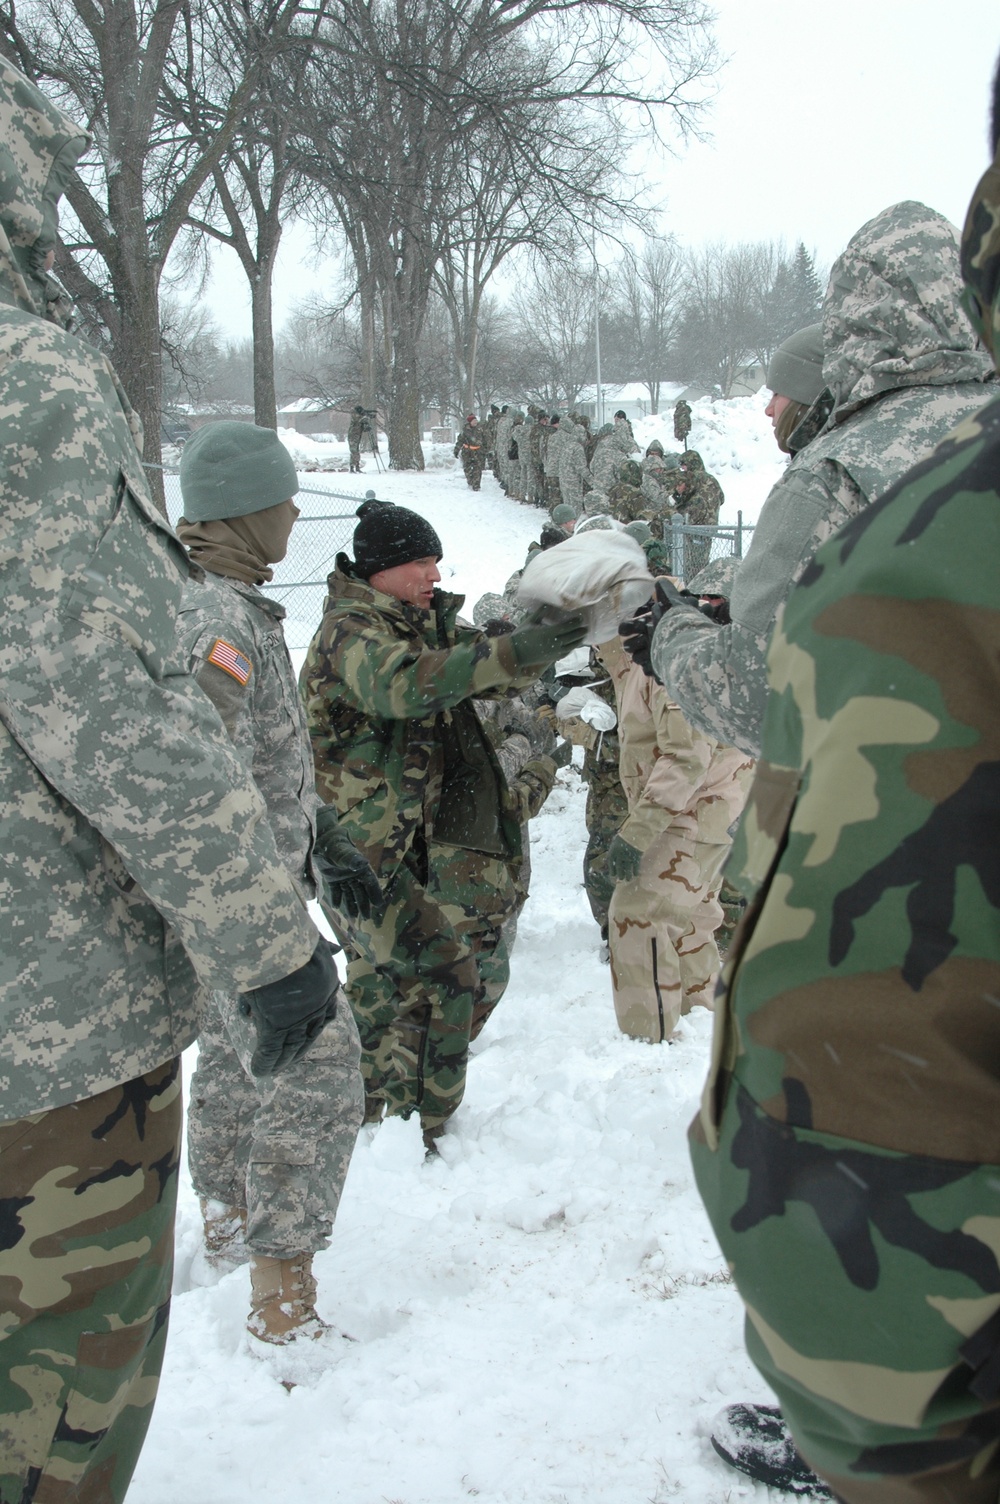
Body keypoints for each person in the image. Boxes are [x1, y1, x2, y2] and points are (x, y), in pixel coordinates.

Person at [0, 62, 334, 1504]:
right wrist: (272, 950)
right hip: (43, 1040)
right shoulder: (24, 383)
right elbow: (107, 705)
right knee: (53, 1425)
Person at [690, 108, 1000, 1504]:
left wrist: (658, 647)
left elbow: (760, 703)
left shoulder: (841, 482)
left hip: (899, 935)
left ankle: (854, 1434)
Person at [621, 201, 996, 758]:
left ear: (855, 318)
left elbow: (758, 698)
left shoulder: (837, 474)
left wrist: (671, 635)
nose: (768, 409)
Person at [301, 500, 586, 1151]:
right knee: (404, 980)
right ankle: (385, 1128)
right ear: (380, 568)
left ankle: (412, 1123)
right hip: (359, 851)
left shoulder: (418, 626)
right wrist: (513, 649)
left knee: (434, 977)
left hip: (405, 847)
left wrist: (545, 637)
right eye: (419, 561)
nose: (434, 572)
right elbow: (409, 686)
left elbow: (483, 668)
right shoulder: (353, 634)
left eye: (435, 560)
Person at [174, 422, 371, 1345]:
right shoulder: (217, 622)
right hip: (234, 903)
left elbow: (256, 762)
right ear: (250, 511)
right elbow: (191, 785)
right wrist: (256, 915)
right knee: (319, 1069)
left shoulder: (235, 607)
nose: (297, 512)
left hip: (250, 891)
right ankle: (281, 1297)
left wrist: (319, 837)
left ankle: (223, 1225)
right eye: (285, 497)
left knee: (230, 1061)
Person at [597, 631, 752, 1041]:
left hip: (693, 810)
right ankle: (701, 1022)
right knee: (690, 923)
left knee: (638, 913)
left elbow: (687, 757)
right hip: (705, 811)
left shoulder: (661, 652)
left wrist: (637, 833)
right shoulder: (632, 652)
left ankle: (646, 1043)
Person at [669, 449, 724, 576]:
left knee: (688, 565)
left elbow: (682, 493)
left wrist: (676, 499)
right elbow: (722, 499)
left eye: (684, 466)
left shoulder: (693, 477)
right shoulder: (712, 480)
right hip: (709, 527)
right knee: (701, 563)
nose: (683, 469)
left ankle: (688, 589)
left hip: (692, 524)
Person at [454, 413, 485, 490]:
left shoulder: (480, 429)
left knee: (477, 469)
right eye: (473, 421)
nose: (475, 422)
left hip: (478, 452)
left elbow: (485, 441)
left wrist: (486, 450)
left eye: (476, 420)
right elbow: (460, 441)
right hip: (467, 452)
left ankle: (476, 485)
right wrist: (456, 450)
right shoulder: (465, 431)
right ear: (470, 422)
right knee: (467, 468)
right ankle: (470, 481)